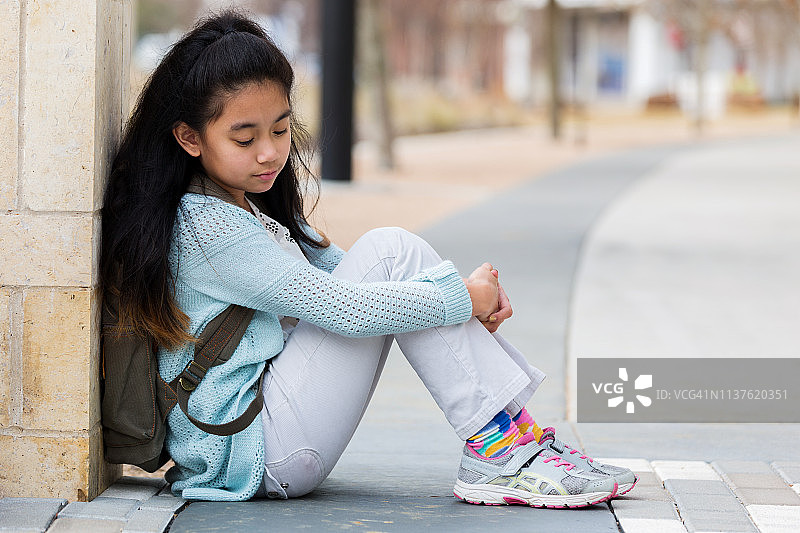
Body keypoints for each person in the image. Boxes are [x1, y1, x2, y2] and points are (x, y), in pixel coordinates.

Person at [100, 10, 637, 506]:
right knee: (392, 250)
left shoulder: (242, 206)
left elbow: (347, 273)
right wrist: (463, 299)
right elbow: (344, 309)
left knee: (393, 253)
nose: (269, 152)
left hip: (265, 432)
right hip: (254, 450)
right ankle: (502, 450)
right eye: (245, 138)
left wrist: (456, 303)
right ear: (190, 138)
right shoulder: (206, 227)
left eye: (281, 130)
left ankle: (508, 442)